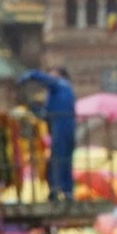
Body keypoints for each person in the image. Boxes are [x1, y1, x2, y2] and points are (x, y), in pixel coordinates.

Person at [17, 66, 76, 201]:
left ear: (60, 75)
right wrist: (34, 109)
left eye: (53, 74)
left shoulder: (61, 85)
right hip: (60, 125)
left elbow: (47, 80)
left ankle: (59, 190)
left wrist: (31, 74)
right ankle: (63, 190)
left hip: (63, 125)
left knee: (59, 159)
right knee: (62, 159)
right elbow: (46, 114)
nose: (50, 77)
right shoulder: (56, 93)